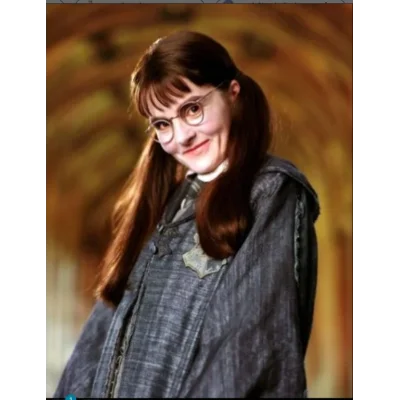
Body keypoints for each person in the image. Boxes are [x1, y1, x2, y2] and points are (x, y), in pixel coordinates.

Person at [54, 30, 320, 398]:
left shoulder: (271, 192)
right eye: (163, 124)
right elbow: (93, 348)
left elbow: (249, 348)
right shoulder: (160, 204)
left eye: (192, 109)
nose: (181, 138)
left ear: (233, 93)